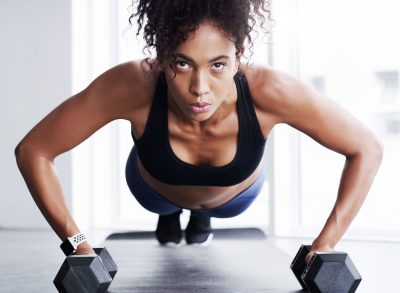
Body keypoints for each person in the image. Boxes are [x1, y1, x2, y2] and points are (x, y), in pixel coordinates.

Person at [15, 0, 383, 265]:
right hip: (153, 188)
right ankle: (172, 212)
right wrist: (78, 244)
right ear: (160, 56)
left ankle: (200, 215)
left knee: (217, 207)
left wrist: (327, 244)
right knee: (164, 205)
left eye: (218, 65)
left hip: (235, 198)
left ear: (240, 57)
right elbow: (34, 150)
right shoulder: (132, 84)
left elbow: (366, 147)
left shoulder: (271, 91)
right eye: (182, 63)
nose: (200, 88)